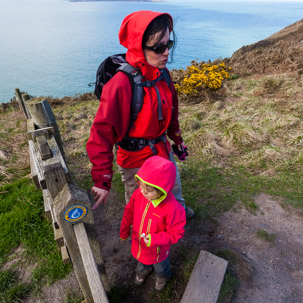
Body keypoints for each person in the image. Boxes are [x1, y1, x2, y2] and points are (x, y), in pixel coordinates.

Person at [86, 10, 194, 218]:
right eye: (158, 47)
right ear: (139, 46)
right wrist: (102, 179)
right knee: (142, 207)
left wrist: (177, 141)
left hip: (162, 150)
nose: (166, 53)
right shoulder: (121, 84)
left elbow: (171, 113)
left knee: (173, 189)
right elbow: (102, 133)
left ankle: (177, 214)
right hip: (136, 159)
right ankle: (143, 241)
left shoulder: (163, 74)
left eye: (168, 44)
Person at [120, 156, 186, 291]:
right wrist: (124, 231)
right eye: (141, 185)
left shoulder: (173, 208)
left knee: (161, 266)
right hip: (139, 243)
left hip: (158, 250)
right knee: (142, 260)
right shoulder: (139, 194)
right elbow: (128, 213)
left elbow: (176, 233)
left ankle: (163, 277)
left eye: (149, 190)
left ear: (162, 189)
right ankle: (143, 270)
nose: (143, 191)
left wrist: (155, 239)